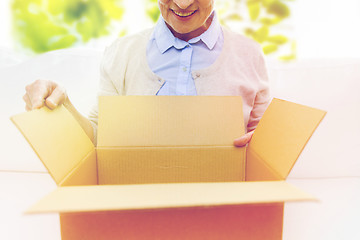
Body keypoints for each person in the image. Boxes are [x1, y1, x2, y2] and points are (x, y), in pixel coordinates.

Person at [23, 0, 270, 147]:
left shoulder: (250, 55)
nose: (182, 4)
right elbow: (100, 140)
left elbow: (264, 143)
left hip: (222, 209)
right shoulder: (121, 53)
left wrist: (261, 145)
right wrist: (61, 105)